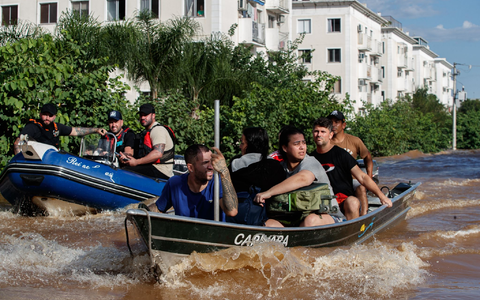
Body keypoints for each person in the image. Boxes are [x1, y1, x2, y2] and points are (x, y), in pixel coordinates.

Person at [254, 126, 337, 227]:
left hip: (329, 216)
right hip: (294, 218)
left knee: (310, 221)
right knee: (269, 224)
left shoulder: (311, 162)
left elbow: (303, 179)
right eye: (296, 144)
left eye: (304, 143)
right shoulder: (281, 168)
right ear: (285, 148)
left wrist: (269, 193)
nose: (302, 147)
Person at [310, 117, 392, 220]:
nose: (319, 134)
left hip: (343, 200)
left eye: (323, 132)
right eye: (316, 131)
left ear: (330, 135)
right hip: (321, 202)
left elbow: (362, 177)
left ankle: (354, 231)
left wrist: (382, 196)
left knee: (353, 202)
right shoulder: (310, 158)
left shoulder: (342, 154)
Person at [155, 144, 238, 221]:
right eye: (205, 162)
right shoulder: (175, 183)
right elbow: (158, 209)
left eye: (212, 161)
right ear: (190, 167)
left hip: (213, 235)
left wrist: (224, 171)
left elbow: (232, 212)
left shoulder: (217, 182)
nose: (211, 167)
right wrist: (144, 211)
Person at [228, 127, 286, 225]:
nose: (240, 147)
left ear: (249, 145)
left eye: (242, 143)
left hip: (235, 217)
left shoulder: (234, 166)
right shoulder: (276, 167)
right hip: (267, 221)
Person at [327, 110, 374, 216]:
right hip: (333, 181)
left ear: (343, 125)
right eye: (331, 122)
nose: (333, 125)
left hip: (352, 179)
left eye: (336, 122)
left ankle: (363, 216)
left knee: (361, 187)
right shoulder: (326, 142)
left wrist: (369, 177)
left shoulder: (354, 141)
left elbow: (368, 157)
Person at [13, 103, 106, 155]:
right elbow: (18, 143)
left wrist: (95, 130)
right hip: (36, 160)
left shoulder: (56, 127)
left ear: (54, 117)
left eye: (50, 115)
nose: (47, 118)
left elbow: (75, 131)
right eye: (45, 115)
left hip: (52, 160)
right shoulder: (33, 126)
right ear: (40, 115)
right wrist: (20, 159)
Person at [120, 104, 174, 179]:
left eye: (145, 115)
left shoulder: (157, 130)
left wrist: (136, 162)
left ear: (153, 115)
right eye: (141, 115)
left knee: (125, 173)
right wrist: (127, 157)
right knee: (124, 167)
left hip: (161, 170)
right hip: (152, 166)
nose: (142, 117)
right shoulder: (146, 132)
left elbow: (157, 153)